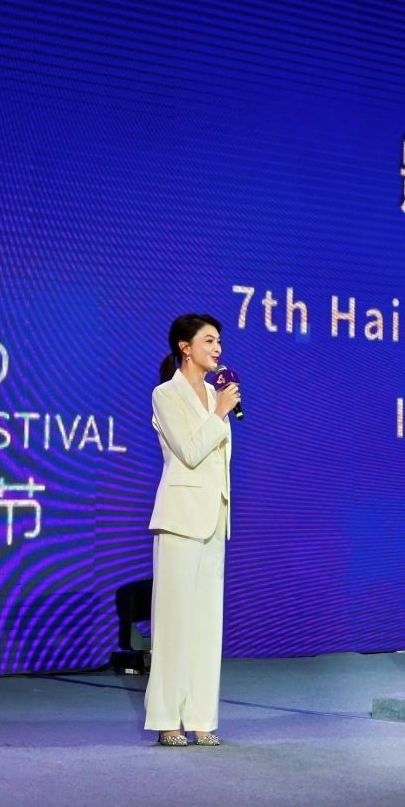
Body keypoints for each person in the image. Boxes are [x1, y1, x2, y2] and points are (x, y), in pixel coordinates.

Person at [145, 313, 240, 746]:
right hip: (180, 518)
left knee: (206, 624)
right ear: (185, 347)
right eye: (208, 340)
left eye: (219, 341)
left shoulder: (215, 394)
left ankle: (202, 718)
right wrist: (219, 414)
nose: (217, 348)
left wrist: (219, 409)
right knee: (174, 622)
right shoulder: (166, 394)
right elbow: (189, 450)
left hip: (214, 518)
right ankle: (168, 720)